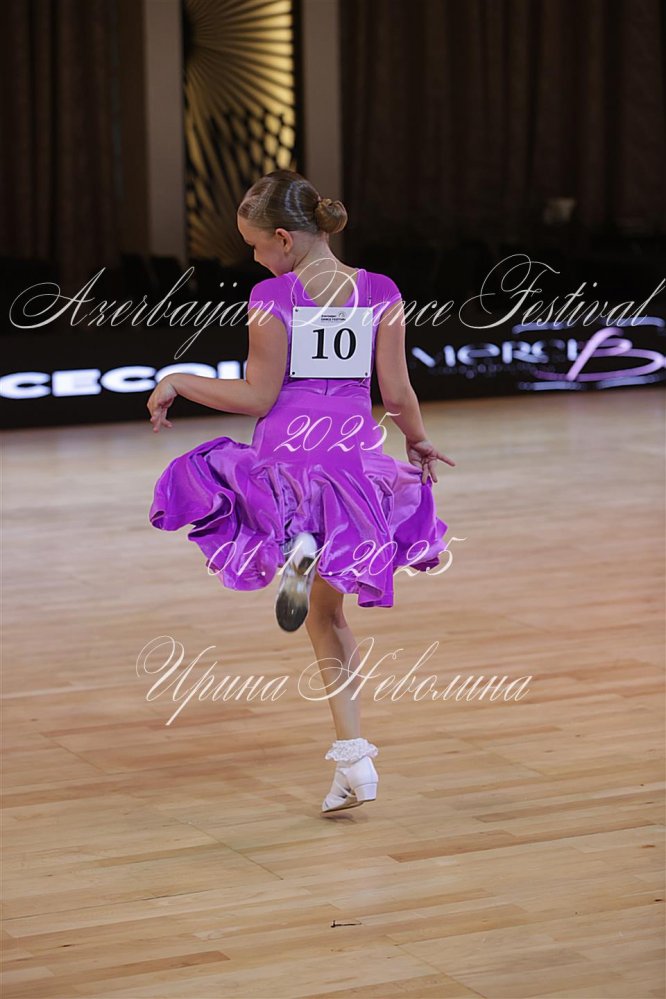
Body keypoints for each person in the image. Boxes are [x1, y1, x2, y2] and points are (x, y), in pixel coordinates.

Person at [146, 169, 455, 814]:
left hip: (288, 458)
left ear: (284, 239)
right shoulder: (381, 291)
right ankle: (354, 757)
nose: (256, 259)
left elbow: (258, 396)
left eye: (257, 246)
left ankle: (297, 546)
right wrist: (418, 441)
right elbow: (396, 391)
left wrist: (179, 378)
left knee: (294, 572)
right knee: (328, 615)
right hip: (351, 462)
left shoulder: (273, 296)